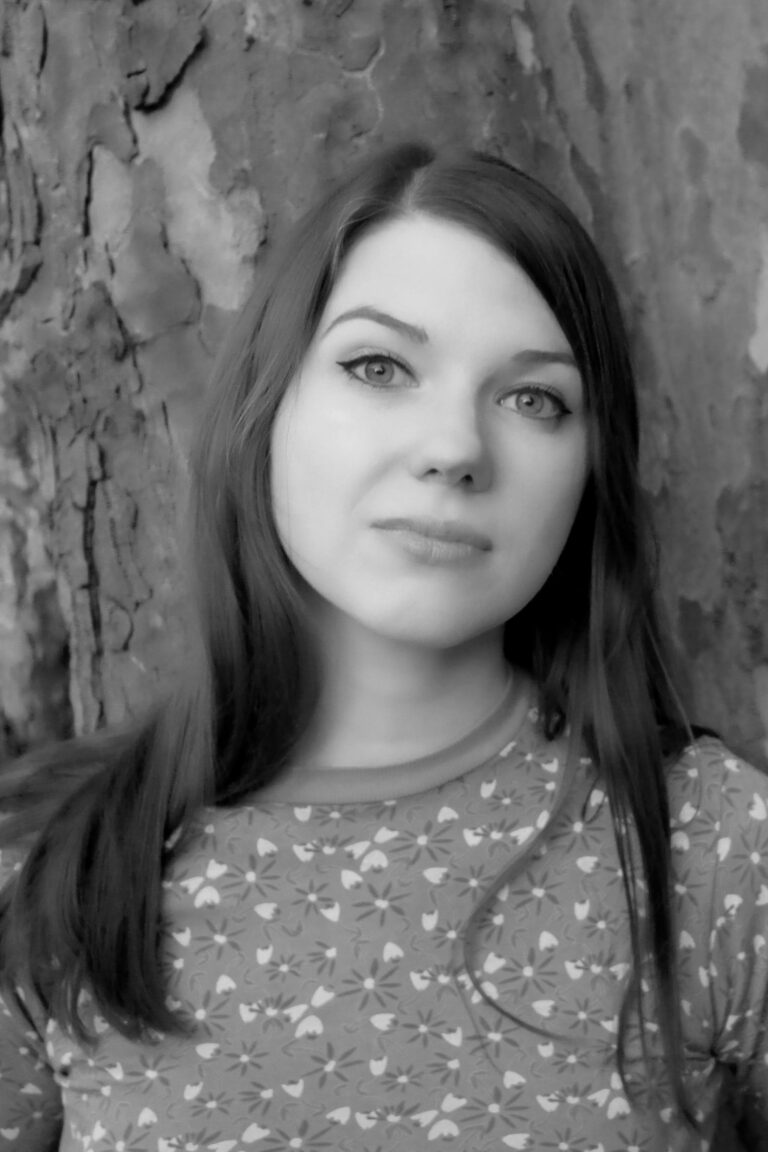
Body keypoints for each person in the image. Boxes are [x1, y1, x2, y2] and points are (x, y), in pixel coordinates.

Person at [0, 142, 766, 1152]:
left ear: (590, 472)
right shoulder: (49, 865)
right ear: (267, 411)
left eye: (534, 398)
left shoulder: (712, 847)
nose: (454, 447)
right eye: (379, 366)